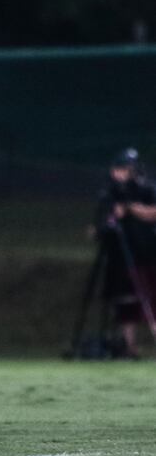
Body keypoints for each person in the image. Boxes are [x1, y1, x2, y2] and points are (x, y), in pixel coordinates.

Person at [95, 147, 156, 359]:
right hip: (119, 256)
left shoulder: (146, 189)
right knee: (125, 301)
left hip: (146, 251)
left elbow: (153, 213)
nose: (127, 173)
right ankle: (129, 346)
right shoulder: (111, 193)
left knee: (151, 297)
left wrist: (131, 208)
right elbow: (104, 221)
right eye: (123, 169)